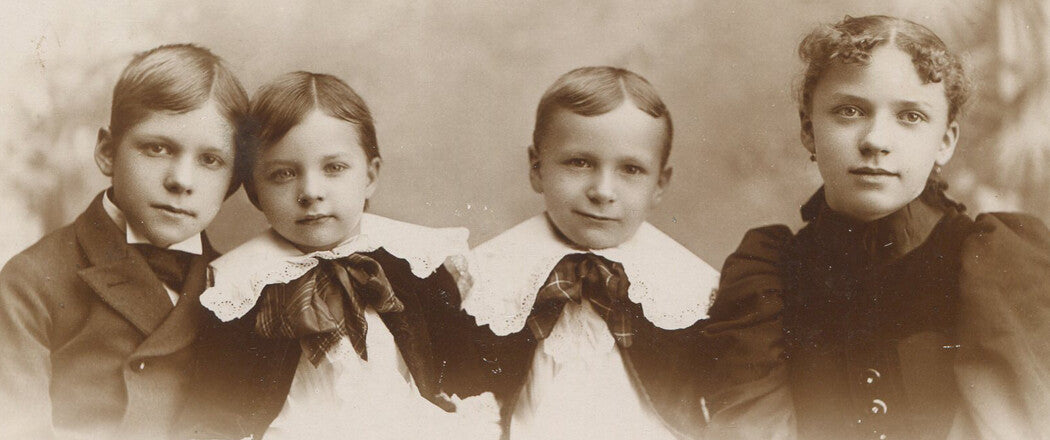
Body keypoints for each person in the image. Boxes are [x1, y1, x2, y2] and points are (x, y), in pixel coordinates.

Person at [706, 14, 1050, 440]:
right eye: (849, 111)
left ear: (946, 141)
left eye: (910, 116)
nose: (875, 140)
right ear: (809, 131)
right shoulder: (768, 272)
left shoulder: (998, 262)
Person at [185, 71, 499, 440]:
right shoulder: (238, 290)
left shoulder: (416, 262)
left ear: (370, 175)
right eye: (283, 174)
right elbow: (218, 409)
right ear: (255, 192)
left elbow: (462, 372)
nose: (311, 191)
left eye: (334, 168)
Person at [0, 44, 249, 439]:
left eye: (210, 160)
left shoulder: (241, 289)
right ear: (107, 153)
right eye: (157, 148)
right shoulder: (31, 282)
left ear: (233, 181)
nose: (181, 180)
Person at [463, 66, 721, 439]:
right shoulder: (485, 276)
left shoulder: (689, 288)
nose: (602, 190)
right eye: (579, 162)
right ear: (537, 167)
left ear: (659, 184)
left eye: (631, 169)